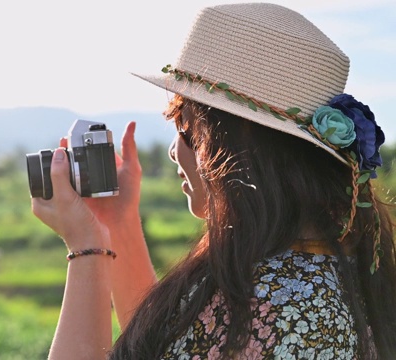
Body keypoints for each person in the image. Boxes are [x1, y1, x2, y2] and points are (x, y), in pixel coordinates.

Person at [31, 3, 396, 359]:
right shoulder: (324, 272)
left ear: (234, 148)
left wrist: (87, 247)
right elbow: (164, 343)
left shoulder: (263, 308)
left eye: (185, 128)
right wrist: (118, 222)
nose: (175, 150)